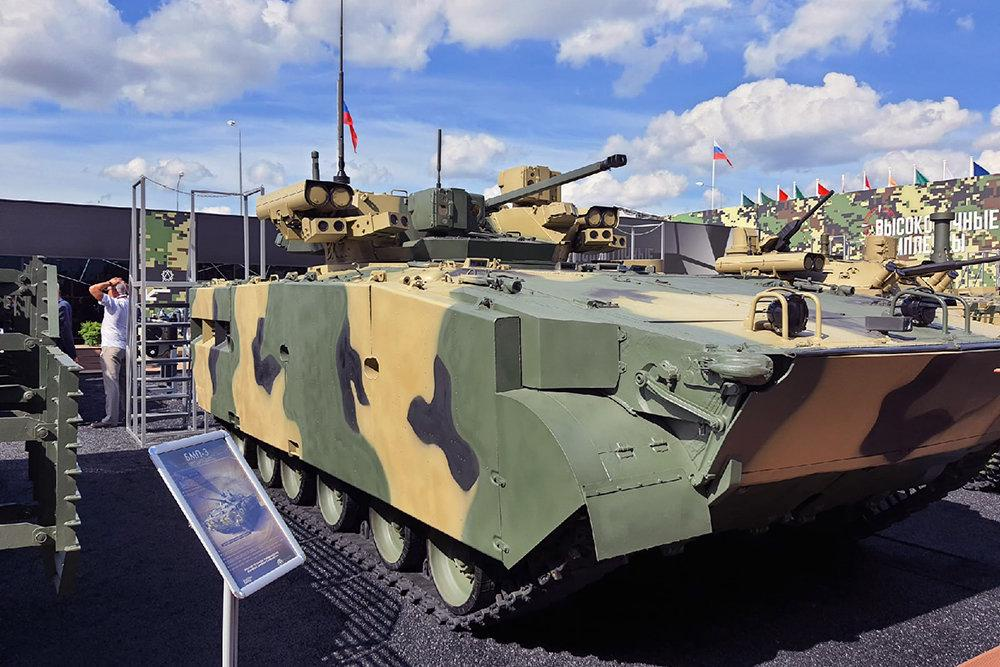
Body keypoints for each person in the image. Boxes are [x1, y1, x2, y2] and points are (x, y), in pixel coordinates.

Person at [88, 276, 129, 427]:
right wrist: (117, 286)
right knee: (125, 384)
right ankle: (129, 415)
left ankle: (111, 418)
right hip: (126, 347)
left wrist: (109, 283)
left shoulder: (113, 304)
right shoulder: (130, 303)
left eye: (110, 290)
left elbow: (93, 289)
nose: (107, 291)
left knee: (111, 383)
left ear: (114, 292)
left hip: (111, 348)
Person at [56, 286, 77, 361]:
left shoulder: (62, 306)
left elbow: (65, 329)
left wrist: (72, 353)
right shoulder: (61, 305)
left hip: (61, 348)